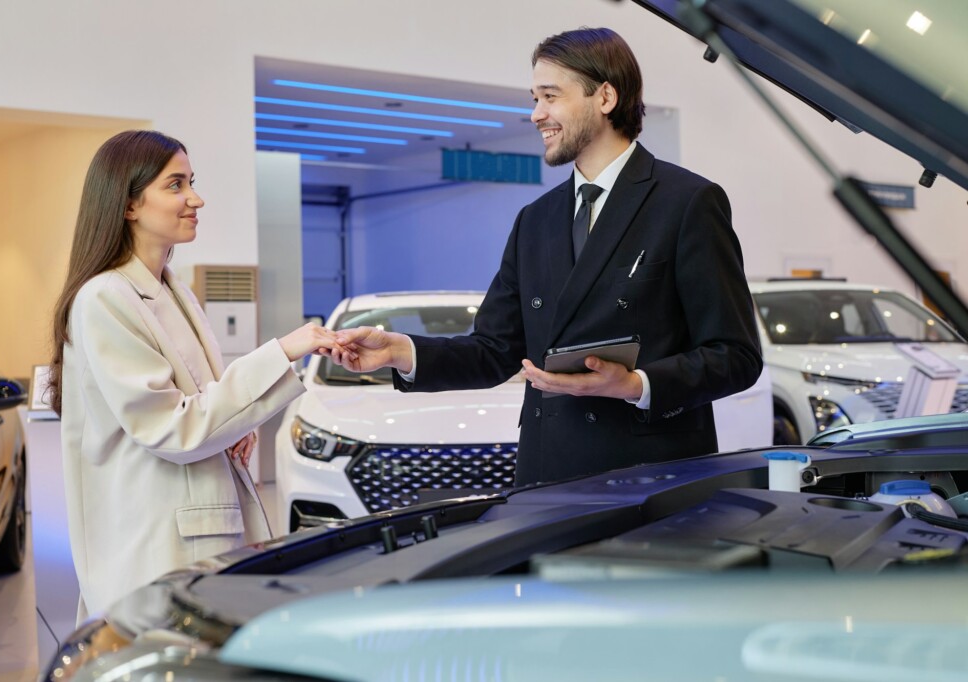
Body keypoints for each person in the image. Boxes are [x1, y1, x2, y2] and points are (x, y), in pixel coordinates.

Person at [332, 27, 763, 486]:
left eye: (550, 96)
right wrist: (401, 351)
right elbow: (494, 351)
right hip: (547, 474)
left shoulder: (687, 201)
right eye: (534, 98)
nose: (536, 114)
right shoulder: (534, 220)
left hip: (652, 478)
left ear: (605, 97)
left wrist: (636, 385)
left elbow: (735, 355)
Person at [48, 130, 335, 620]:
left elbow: (205, 406)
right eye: (175, 185)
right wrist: (284, 351)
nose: (195, 199)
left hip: (195, 536)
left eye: (191, 183)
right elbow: (175, 427)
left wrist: (234, 430)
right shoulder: (105, 299)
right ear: (129, 204)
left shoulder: (174, 291)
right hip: (155, 546)